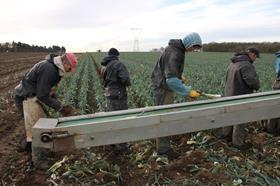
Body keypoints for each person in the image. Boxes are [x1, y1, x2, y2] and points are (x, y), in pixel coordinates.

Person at [14, 53, 79, 152]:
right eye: (70, 67)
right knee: (37, 128)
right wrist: (60, 107)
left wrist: (55, 99)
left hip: (30, 95)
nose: (70, 70)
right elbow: (42, 95)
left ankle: (25, 147)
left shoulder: (53, 68)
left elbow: (45, 89)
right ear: (65, 62)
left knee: (35, 125)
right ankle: (39, 160)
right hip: (25, 97)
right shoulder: (49, 69)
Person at [151, 32, 203, 156]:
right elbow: (171, 80)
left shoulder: (175, 49)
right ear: (190, 43)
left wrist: (179, 76)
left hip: (163, 85)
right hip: (163, 88)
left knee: (164, 116)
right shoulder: (175, 52)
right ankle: (163, 150)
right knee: (163, 118)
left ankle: (163, 146)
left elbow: (168, 69)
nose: (193, 50)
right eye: (194, 47)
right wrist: (188, 91)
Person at [222, 47, 260, 149]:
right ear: (252, 54)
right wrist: (257, 86)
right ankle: (238, 143)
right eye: (255, 56)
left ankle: (225, 136)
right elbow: (252, 82)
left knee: (229, 116)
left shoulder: (233, 62)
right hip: (240, 96)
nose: (255, 59)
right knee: (240, 119)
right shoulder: (246, 65)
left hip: (229, 94)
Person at [101, 48, 131, 151]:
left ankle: (111, 142)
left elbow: (104, 80)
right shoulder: (118, 64)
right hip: (118, 94)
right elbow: (125, 79)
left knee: (111, 117)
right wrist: (126, 84)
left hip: (109, 93)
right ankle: (123, 146)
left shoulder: (105, 66)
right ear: (117, 55)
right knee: (121, 118)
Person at [266, 51, 280, 135]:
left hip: (277, 83)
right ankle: (273, 129)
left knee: (275, 107)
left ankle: (271, 128)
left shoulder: (278, 58)